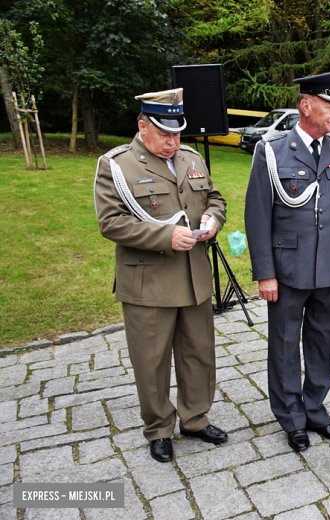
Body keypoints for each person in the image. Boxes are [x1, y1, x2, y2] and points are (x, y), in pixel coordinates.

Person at [94, 88, 228, 463]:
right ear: (142, 126)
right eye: (164, 134)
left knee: (199, 354)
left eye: (177, 133)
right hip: (149, 282)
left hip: (194, 277)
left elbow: (215, 198)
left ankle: (195, 419)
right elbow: (111, 223)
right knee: (151, 361)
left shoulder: (190, 157)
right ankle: (158, 429)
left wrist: (213, 219)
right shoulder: (118, 164)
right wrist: (165, 236)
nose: (173, 142)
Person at [245, 71, 330, 452]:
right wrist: (265, 273)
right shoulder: (272, 151)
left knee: (323, 341)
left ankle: (315, 408)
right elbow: (257, 216)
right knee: (284, 344)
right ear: (305, 105)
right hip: (288, 270)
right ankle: (291, 416)